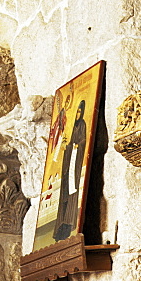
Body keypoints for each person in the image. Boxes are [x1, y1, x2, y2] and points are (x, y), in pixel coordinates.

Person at [54, 99, 87, 242]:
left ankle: (68, 223)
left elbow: (83, 141)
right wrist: (66, 146)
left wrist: (76, 146)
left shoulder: (82, 125)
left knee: (72, 192)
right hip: (68, 163)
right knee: (64, 194)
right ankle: (61, 224)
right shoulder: (72, 125)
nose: (78, 113)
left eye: (80, 111)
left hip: (75, 162)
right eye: (77, 111)